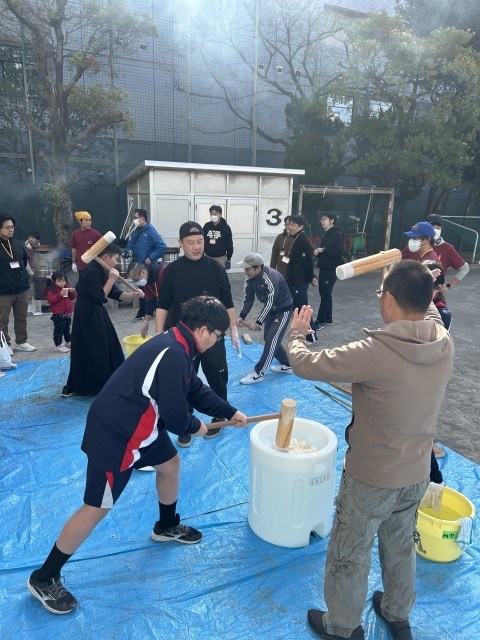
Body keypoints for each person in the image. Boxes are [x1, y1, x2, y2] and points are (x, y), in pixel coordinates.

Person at [27, 295, 248, 615]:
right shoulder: (175, 353)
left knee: (170, 464)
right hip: (117, 435)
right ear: (203, 330)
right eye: (218, 336)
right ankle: (44, 577)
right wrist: (197, 427)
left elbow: (194, 390)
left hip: (141, 428)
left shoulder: (179, 342)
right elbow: (176, 417)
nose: (217, 342)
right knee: (96, 507)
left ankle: (166, 526)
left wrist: (230, 411)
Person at [287, 260, 454, 640]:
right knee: (400, 545)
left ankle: (343, 625)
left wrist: (296, 333)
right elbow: (426, 307)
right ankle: (397, 612)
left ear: (389, 300)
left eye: (382, 294)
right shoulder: (442, 340)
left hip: (371, 478)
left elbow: (305, 364)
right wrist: (411, 279)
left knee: (350, 552)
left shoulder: (375, 351)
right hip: (416, 472)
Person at [155, 221, 241, 446]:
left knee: (217, 374)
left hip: (212, 334)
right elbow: (163, 304)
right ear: (181, 243)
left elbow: (228, 301)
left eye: (200, 242)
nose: (196, 247)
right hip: (182, 337)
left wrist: (233, 329)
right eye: (191, 242)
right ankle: (186, 421)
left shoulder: (216, 268)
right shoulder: (171, 271)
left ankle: (220, 417)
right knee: (182, 378)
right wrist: (158, 334)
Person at [61, 244, 144, 398]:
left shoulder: (100, 270)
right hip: (87, 314)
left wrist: (134, 295)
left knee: (109, 345)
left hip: (97, 312)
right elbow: (100, 296)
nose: (116, 263)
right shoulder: (90, 272)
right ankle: (89, 386)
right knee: (93, 348)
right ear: (106, 257)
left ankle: (111, 381)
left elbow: (115, 293)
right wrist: (112, 278)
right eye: (115, 259)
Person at [236, 252, 293, 384]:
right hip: (271, 310)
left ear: (258, 268)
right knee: (269, 338)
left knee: (271, 341)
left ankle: (258, 373)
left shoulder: (271, 279)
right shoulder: (250, 278)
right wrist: (242, 316)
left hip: (283, 310)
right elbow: (248, 298)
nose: (245, 272)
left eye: (248, 269)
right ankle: (287, 364)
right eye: (245, 269)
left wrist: (258, 322)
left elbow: (270, 303)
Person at [0, 213, 36, 355]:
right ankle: (5, 345)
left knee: (21, 317)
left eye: (12, 227)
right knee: (2, 320)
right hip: (3, 291)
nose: (11, 230)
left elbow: (24, 263)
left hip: (21, 288)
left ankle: (21, 342)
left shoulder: (17, 243)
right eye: (7, 227)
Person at [124, 209, 167, 320]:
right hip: (137, 266)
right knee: (143, 291)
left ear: (142, 218)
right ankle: (145, 312)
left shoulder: (150, 231)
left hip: (147, 268)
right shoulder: (136, 231)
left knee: (151, 291)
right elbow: (131, 243)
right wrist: (127, 251)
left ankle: (153, 312)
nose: (134, 220)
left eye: (136, 218)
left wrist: (151, 258)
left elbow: (162, 247)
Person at [284, 215, 318, 345]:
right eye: (289, 224)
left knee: (303, 309)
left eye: (293, 225)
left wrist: (311, 277)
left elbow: (309, 261)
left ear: (301, 226)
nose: (290, 227)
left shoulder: (303, 240)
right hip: (294, 280)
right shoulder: (296, 238)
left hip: (299, 280)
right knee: (298, 309)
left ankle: (312, 337)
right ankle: (303, 333)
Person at [312, 213, 344, 330]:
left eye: (324, 219)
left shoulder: (337, 234)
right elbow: (324, 252)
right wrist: (318, 253)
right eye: (321, 219)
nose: (322, 221)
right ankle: (328, 318)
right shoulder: (327, 234)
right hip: (324, 267)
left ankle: (320, 321)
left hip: (331, 269)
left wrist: (323, 249)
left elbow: (339, 252)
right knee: (325, 293)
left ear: (332, 221)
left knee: (325, 293)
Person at [127, 260, 167, 339]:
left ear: (142, 272)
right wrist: (146, 322)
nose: (137, 282)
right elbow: (149, 301)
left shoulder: (164, 273)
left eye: (136, 279)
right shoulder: (148, 281)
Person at [44, 271, 77, 353]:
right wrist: (60, 294)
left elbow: (73, 297)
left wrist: (72, 291)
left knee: (67, 329)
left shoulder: (66, 287)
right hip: (58, 314)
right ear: (54, 281)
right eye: (59, 281)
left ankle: (68, 342)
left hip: (67, 313)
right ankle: (58, 345)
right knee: (58, 331)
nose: (62, 283)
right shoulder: (51, 290)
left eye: (63, 281)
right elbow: (51, 300)